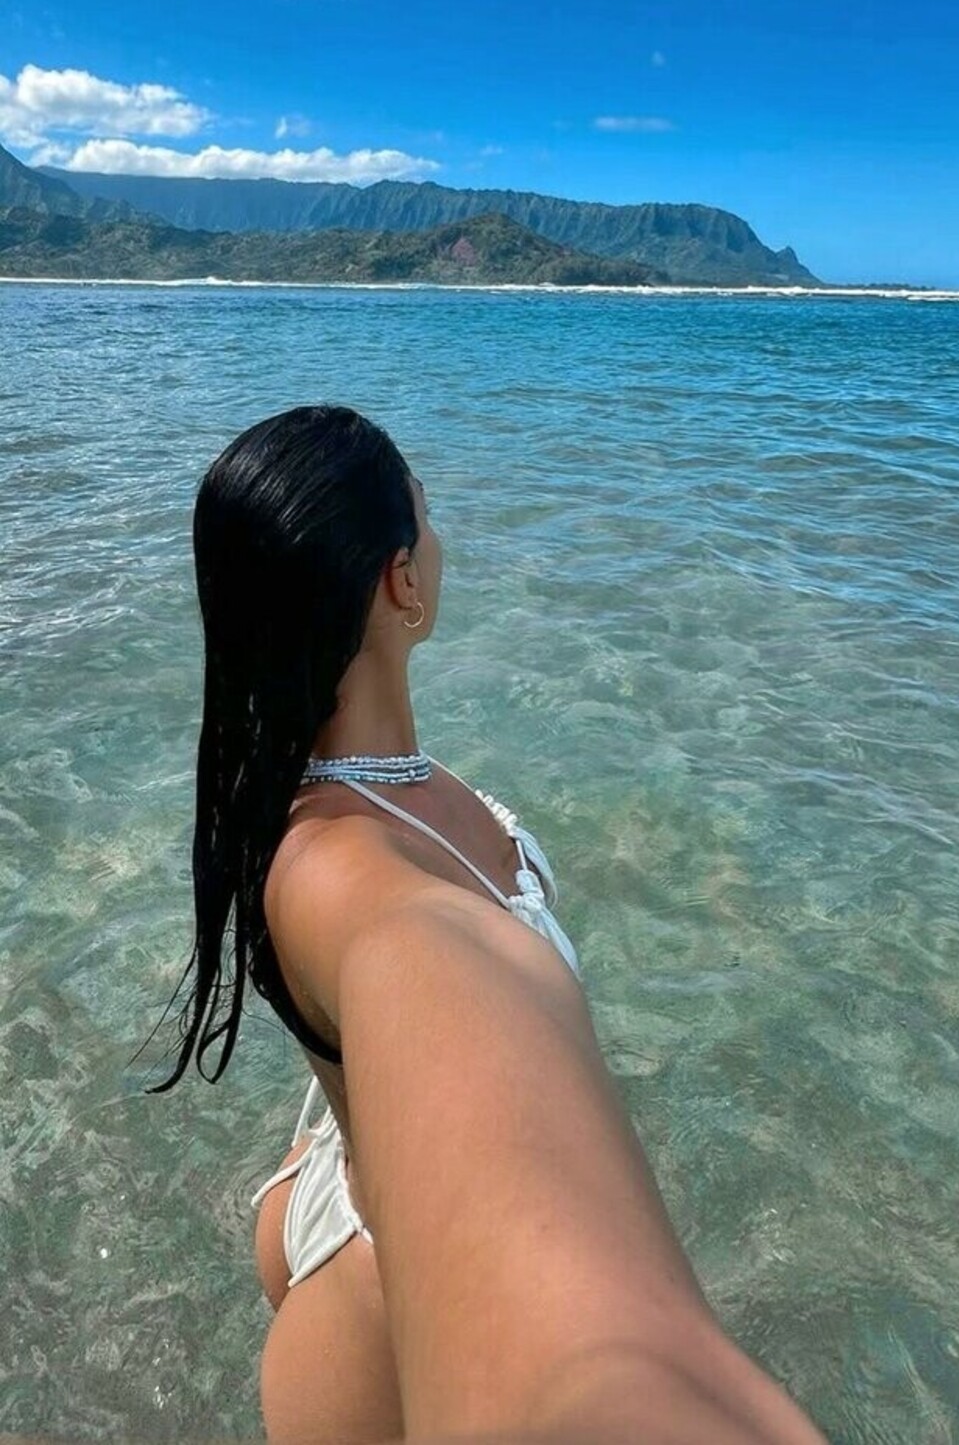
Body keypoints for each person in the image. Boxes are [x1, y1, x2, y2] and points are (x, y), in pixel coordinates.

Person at [152, 404, 828, 1445]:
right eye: (428, 517)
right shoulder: (338, 869)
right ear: (400, 581)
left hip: (346, 1181)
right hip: (374, 1321)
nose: (441, 540)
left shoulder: (356, 786)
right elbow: (415, 955)